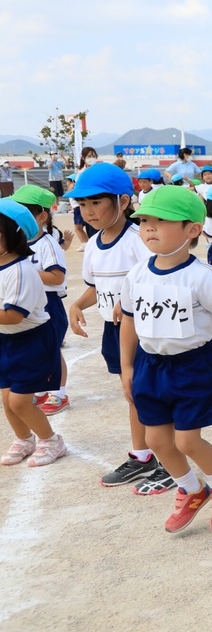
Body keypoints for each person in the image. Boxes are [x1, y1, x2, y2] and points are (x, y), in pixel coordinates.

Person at [119, 186, 212, 533]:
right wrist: (127, 367)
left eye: (161, 221)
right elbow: (129, 321)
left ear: (192, 230)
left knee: (187, 440)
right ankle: (192, 490)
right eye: (145, 220)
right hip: (150, 365)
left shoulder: (202, 276)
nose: (149, 228)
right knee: (156, 440)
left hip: (193, 366)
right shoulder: (137, 274)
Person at [67, 164, 171, 492]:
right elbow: (96, 287)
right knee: (133, 395)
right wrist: (76, 305)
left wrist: (130, 301)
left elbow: (162, 276)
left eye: (96, 203)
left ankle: (170, 462)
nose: (88, 211)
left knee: (152, 394)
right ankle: (142, 457)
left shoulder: (136, 240)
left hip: (147, 329)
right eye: (82, 205)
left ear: (123, 201)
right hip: (115, 332)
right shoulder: (94, 244)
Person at [0, 199, 68, 468]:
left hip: (30, 341)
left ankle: (51, 441)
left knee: (19, 400)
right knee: (6, 397)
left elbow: (15, 314)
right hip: (5, 339)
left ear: (14, 236)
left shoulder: (21, 270)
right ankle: (23, 439)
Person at [14, 186, 71, 416]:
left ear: (41, 216)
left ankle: (59, 393)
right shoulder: (18, 243)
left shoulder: (48, 244)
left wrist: (25, 272)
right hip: (30, 302)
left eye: (24, 212)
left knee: (52, 349)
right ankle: (41, 388)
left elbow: (57, 277)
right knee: (35, 348)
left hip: (48, 302)